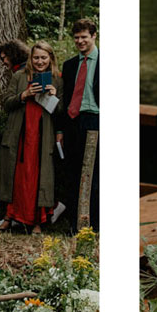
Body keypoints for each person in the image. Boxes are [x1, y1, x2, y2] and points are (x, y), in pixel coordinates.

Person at [0, 40, 62, 233]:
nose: (40, 61)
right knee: (17, 176)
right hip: (21, 134)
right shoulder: (19, 76)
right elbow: (6, 103)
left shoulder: (57, 79)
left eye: (43, 58)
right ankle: (10, 216)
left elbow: (62, 112)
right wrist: (23, 95)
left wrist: (54, 96)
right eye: (36, 58)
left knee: (38, 176)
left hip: (42, 136)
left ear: (50, 59)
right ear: (31, 59)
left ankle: (38, 221)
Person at [57, 17, 99, 231]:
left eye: (84, 37)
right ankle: (74, 224)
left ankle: (95, 223)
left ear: (94, 36)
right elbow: (65, 101)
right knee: (73, 172)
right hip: (73, 121)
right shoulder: (70, 65)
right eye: (76, 38)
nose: (80, 41)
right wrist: (61, 130)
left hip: (96, 120)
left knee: (96, 173)